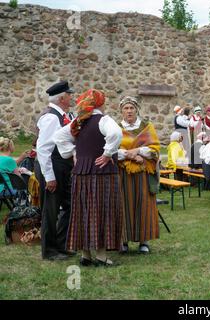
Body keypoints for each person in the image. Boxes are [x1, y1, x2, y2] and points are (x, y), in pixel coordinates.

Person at [53, 89, 123, 266]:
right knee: (102, 211)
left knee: (82, 212)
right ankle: (101, 256)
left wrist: (74, 152)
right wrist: (108, 153)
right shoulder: (104, 120)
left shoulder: (78, 123)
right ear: (100, 103)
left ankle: (85, 255)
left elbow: (58, 137)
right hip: (103, 173)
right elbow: (116, 134)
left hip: (80, 175)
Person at [35, 80, 75, 261]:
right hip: (52, 167)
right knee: (50, 210)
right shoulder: (51, 117)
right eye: (69, 94)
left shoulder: (63, 115)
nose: (71, 96)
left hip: (62, 166)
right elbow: (43, 149)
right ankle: (50, 251)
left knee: (70, 204)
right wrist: (49, 176)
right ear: (61, 98)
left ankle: (61, 244)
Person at [117, 96, 161, 254]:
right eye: (126, 108)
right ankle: (123, 241)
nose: (129, 111)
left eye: (132, 108)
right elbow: (111, 150)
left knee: (143, 205)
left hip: (142, 172)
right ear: (121, 111)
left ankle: (144, 241)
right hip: (123, 173)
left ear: (136, 110)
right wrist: (130, 155)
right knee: (123, 205)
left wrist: (138, 150)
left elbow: (154, 149)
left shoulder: (146, 127)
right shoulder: (116, 128)